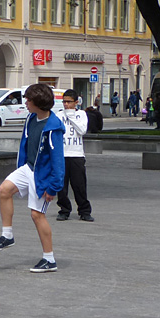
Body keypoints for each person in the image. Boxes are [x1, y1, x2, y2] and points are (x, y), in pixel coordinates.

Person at [0, 83, 66, 273]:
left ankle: (49, 259)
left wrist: (53, 187)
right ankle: (7, 235)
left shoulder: (53, 127)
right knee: (4, 189)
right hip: (28, 168)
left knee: (37, 215)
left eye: (28, 100)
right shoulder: (31, 118)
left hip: (43, 176)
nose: (25, 102)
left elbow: (58, 161)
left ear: (38, 103)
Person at [55, 89, 93, 222]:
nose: (66, 105)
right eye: (64, 102)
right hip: (62, 155)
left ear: (76, 102)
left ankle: (84, 211)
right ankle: (64, 210)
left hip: (76, 155)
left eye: (69, 102)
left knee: (79, 185)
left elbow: (82, 130)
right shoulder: (59, 115)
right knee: (61, 186)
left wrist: (71, 116)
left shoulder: (81, 114)